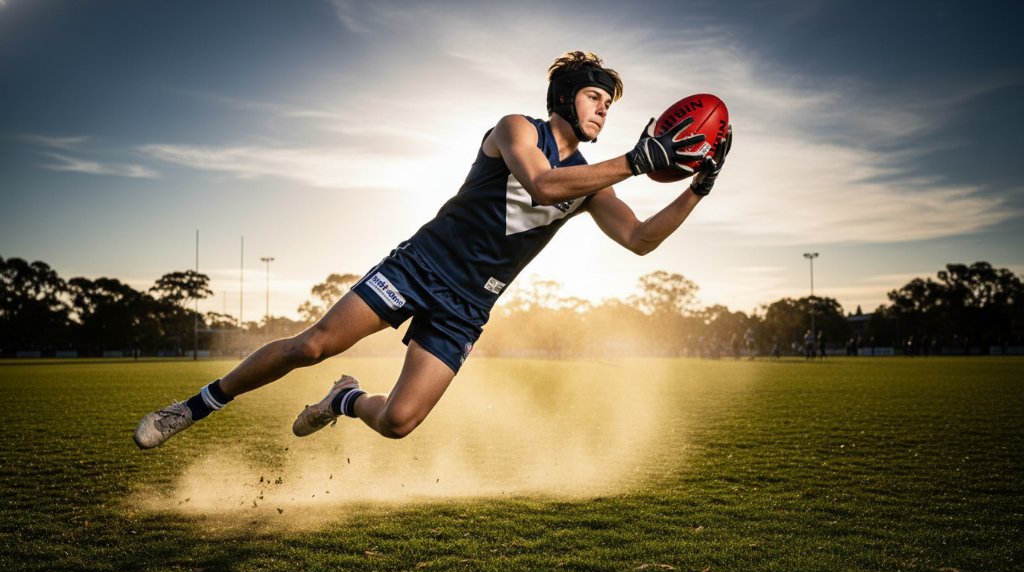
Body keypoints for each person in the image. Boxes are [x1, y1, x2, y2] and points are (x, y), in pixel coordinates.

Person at [134, 51, 733, 449]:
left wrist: (698, 190)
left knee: (398, 422)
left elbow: (638, 239)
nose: (606, 109)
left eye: (611, 104)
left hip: (467, 305)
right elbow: (542, 184)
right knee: (311, 344)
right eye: (598, 96)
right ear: (567, 97)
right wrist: (633, 163)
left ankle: (343, 399)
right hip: (421, 266)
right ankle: (192, 408)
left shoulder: (596, 176)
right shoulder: (516, 127)